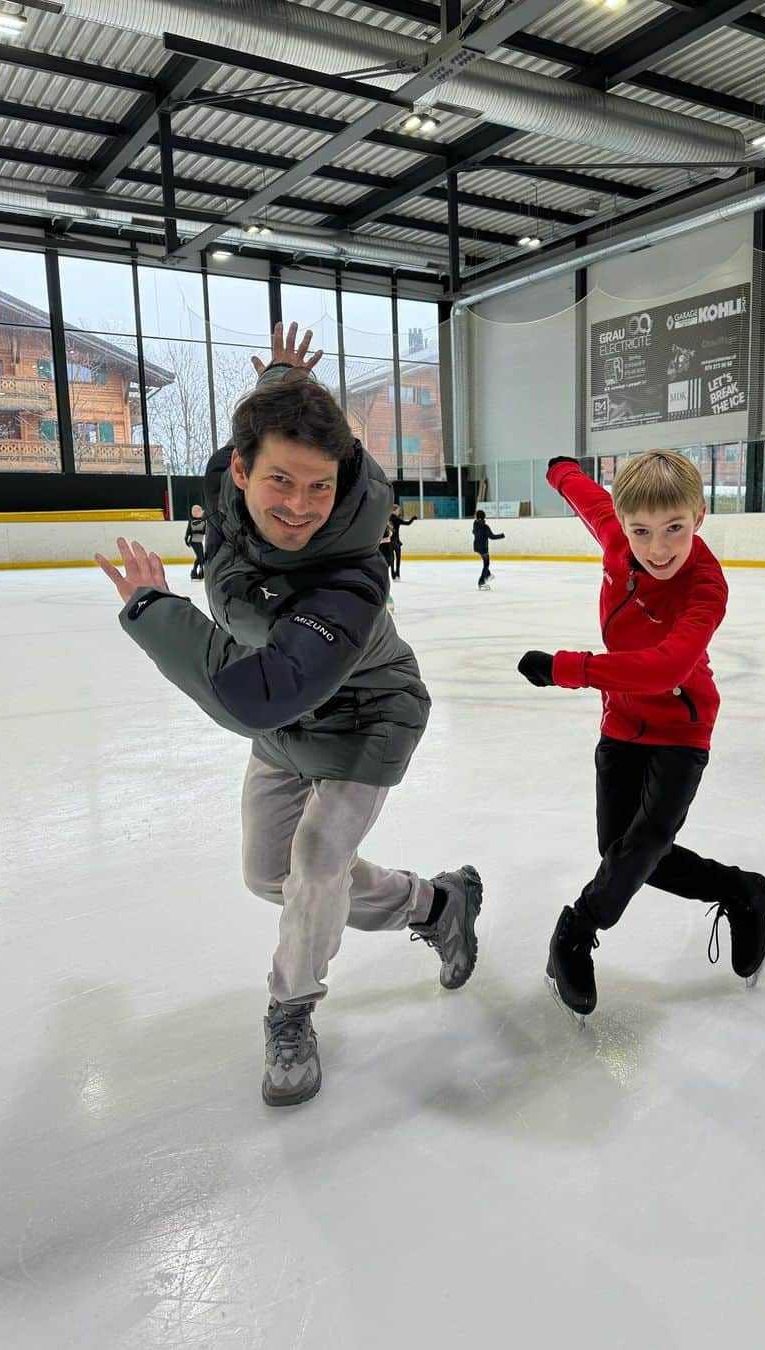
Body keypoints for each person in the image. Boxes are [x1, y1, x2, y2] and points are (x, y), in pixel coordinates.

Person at [95, 322, 483, 1107]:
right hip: (291, 708)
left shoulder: (350, 577)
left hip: (365, 716)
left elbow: (259, 694)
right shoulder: (231, 481)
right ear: (239, 469)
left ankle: (291, 1010)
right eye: (281, 482)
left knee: (315, 861)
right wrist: (280, 377)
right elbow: (278, 420)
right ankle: (437, 903)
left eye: (321, 487)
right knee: (267, 875)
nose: (301, 506)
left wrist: (155, 612)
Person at [517, 451, 765, 1022]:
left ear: (699, 517)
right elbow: (583, 495)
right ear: (623, 524)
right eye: (640, 531)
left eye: (675, 529)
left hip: (681, 729)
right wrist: (559, 467)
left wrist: (569, 668)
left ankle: (576, 931)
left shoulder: (705, 588)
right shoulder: (617, 533)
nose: (658, 547)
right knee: (621, 852)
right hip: (621, 723)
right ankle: (746, 892)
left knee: (641, 847)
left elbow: (666, 667)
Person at [472, 509, 505, 591]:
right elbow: (492, 537)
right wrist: (501, 535)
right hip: (483, 548)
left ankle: (488, 575)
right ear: (484, 517)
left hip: (476, 547)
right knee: (486, 565)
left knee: (486, 564)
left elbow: (474, 532)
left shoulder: (475, 524)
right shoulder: (485, 527)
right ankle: (481, 582)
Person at [387, 507, 415, 581]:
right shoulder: (397, 519)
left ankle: (393, 575)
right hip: (396, 542)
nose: (399, 512)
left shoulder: (388, 518)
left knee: (392, 559)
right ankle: (397, 575)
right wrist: (413, 518)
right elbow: (408, 523)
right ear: (394, 511)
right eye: (398, 511)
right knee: (398, 558)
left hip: (389, 542)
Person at [184, 503, 206, 580]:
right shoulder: (192, 521)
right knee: (201, 557)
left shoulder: (203, 521)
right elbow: (188, 531)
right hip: (194, 542)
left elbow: (204, 531)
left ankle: (194, 572)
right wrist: (186, 539)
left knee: (200, 557)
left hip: (199, 541)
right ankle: (200, 571)